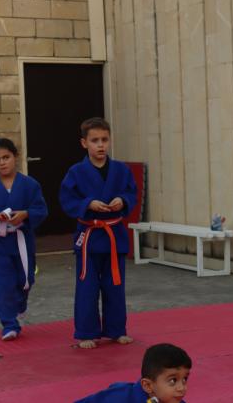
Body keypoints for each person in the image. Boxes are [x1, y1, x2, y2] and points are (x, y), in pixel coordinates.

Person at [59, 117, 138, 349]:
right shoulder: (76, 172)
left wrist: (122, 200)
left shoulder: (121, 170)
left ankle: (116, 330)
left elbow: (131, 193)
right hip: (90, 236)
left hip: (114, 235)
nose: (100, 145)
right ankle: (86, 332)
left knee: (115, 286)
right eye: (95, 140)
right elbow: (67, 199)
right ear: (84, 143)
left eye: (104, 139)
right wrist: (88, 203)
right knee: (87, 287)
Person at [0, 138, 47, 341]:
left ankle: (20, 305)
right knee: (3, 284)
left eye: (6, 157)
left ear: (15, 157)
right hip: (0, 244)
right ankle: (9, 324)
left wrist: (26, 214)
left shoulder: (30, 185)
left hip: (23, 241)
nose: (2, 162)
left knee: (25, 280)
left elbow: (41, 209)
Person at [75, 343, 191, 402]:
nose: (181, 388)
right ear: (148, 385)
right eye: (173, 381)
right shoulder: (118, 399)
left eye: (184, 379)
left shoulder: (172, 400)